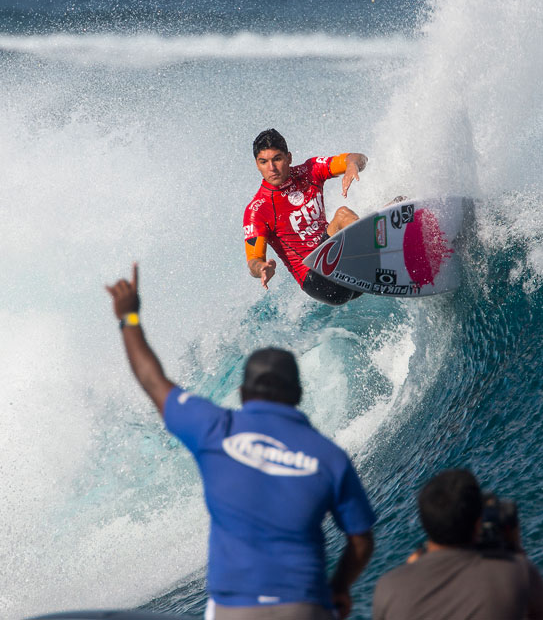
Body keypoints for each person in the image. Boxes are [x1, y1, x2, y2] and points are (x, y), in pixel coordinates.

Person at [106, 263, 376, 619]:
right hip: (305, 606)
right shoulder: (329, 457)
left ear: (242, 392)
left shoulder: (215, 430)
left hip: (235, 608)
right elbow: (360, 540)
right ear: (297, 392)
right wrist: (338, 587)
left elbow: (153, 381)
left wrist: (130, 318)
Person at [371, 469, 543, 620]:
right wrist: (515, 550)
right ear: (478, 523)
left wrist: (409, 573)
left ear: (425, 523)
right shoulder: (513, 573)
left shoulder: (388, 588)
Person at [243, 128, 369, 305]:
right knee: (342, 215)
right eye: (263, 162)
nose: (271, 168)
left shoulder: (310, 171)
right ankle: (375, 257)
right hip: (321, 282)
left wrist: (352, 165)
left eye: (277, 159)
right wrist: (261, 269)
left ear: (289, 158)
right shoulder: (257, 210)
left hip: (345, 272)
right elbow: (253, 261)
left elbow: (356, 157)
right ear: (257, 164)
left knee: (397, 203)